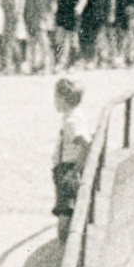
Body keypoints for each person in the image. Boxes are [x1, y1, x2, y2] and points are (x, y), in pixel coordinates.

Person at [49, 78, 91, 241]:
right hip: (66, 168)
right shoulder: (73, 116)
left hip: (67, 170)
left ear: (62, 100)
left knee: (65, 210)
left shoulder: (72, 121)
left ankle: (64, 242)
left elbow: (85, 143)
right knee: (66, 208)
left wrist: (74, 170)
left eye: (55, 98)